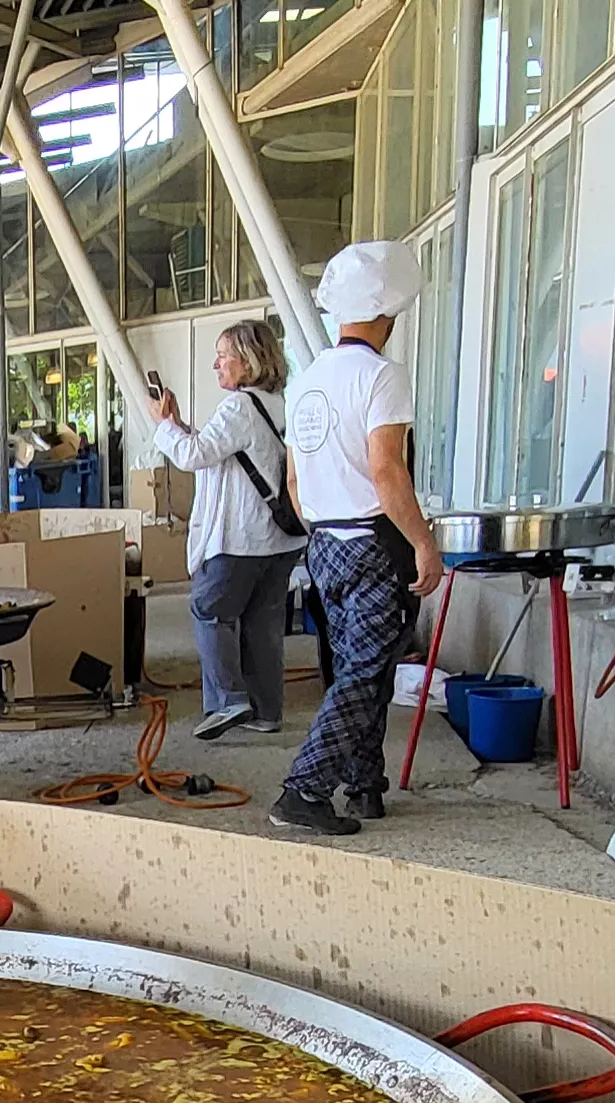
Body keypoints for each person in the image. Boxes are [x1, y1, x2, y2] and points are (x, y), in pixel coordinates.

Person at [271, 242, 448, 837]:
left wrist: (324, 528)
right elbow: (387, 469)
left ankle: (365, 786)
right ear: (388, 315)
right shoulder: (382, 376)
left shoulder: (309, 382)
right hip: (376, 544)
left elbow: (294, 480)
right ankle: (304, 789)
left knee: (355, 663)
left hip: (325, 544)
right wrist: (423, 542)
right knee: (366, 674)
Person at [147, 318, 310, 743]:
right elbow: (221, 452)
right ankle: (266, 710)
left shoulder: (239, 406)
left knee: (210, 611)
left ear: (248, 360)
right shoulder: (276, 402)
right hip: (281, 538)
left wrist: (163, 425)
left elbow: (194, 456)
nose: (216, 365)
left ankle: (229, 699)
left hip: (241, 537)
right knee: (262, 624)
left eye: (222, 356)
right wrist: (180, 424)